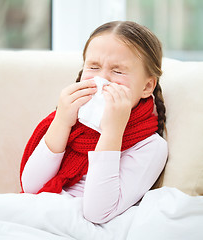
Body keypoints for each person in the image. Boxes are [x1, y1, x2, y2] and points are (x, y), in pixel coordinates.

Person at [20, 21, 168, 224]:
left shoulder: (150, 146)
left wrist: (112, 132)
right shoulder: (71, 121)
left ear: (147, 86)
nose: (102, 79)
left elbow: (97, 213)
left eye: (118, 71)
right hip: (40, 212)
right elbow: (31, 187)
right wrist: (62, 121)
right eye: (93, 67)